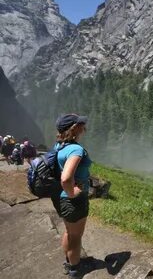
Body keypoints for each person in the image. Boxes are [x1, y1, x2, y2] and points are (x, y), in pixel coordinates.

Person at [50, 114, 92, 278]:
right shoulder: (75, 149)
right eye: (82, 124)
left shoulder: (58, 146)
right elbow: (66, 178)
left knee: (69, 232)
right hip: (72, 200)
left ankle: (69, 262)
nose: (84, 127)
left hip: (60, 198)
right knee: (76, 236)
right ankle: (75, 270)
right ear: (74, 128)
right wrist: (73, 193)